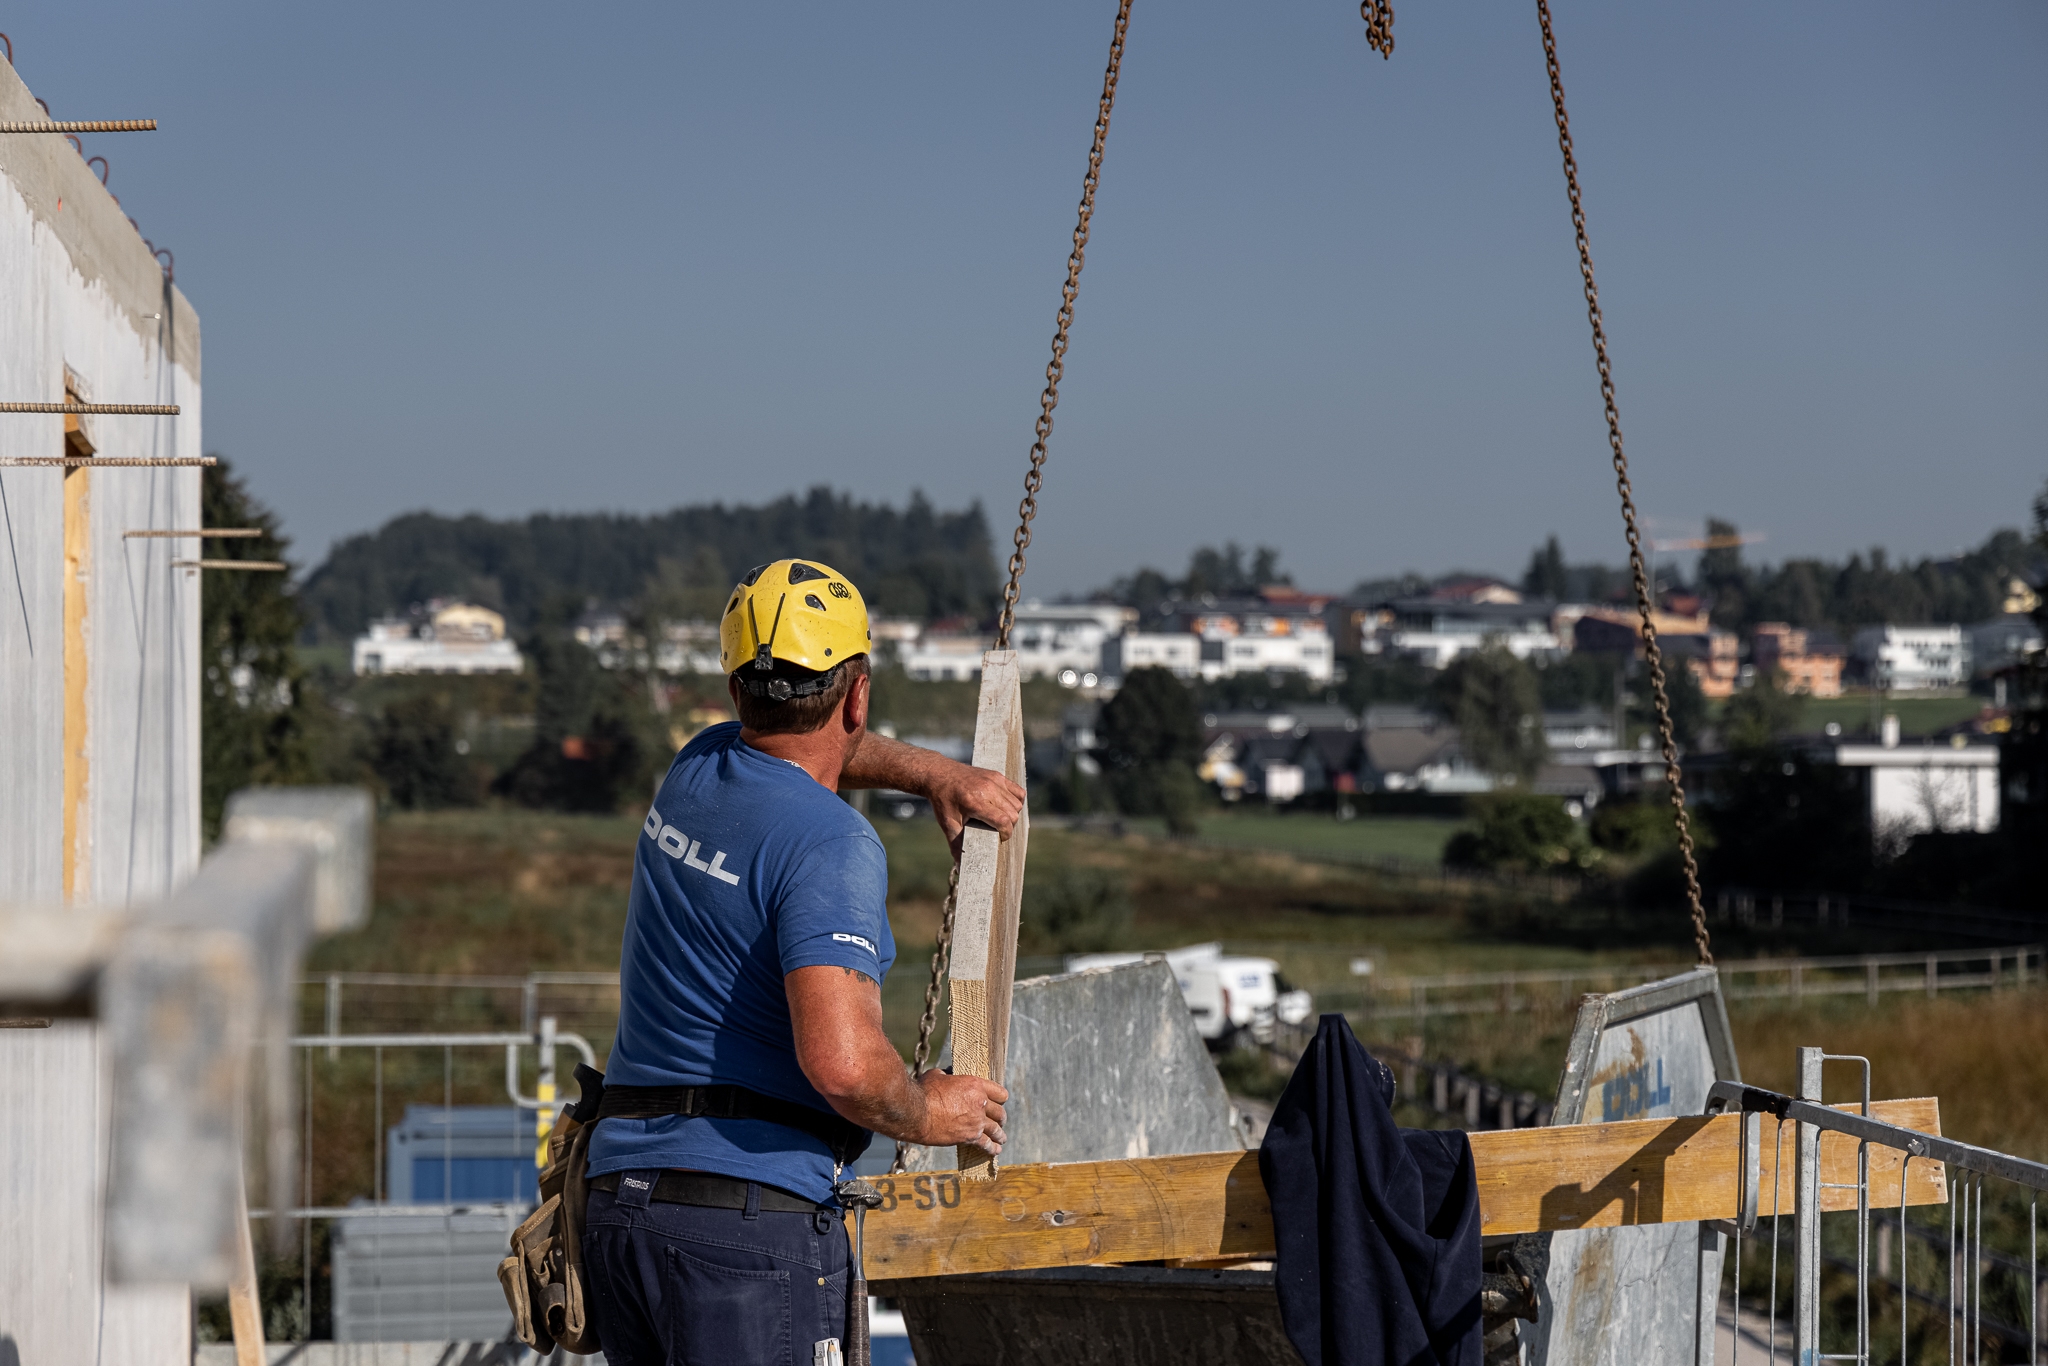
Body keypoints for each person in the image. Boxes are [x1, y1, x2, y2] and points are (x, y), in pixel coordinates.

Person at [582, 557, 1020, 1365]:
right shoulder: (831, 842)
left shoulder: (698, 770)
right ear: (857, 693)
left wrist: (936, 775)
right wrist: (929, 1111)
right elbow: (846, 1068)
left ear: (735, 690)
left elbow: (808, 752)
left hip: (622, 1212)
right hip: (744, 1234)